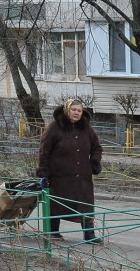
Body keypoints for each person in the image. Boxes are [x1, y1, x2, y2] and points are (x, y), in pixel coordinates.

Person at [35, 98, 103, 243]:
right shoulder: (54, 127)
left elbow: (97, 147)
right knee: (57, 203)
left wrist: (94, 163)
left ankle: (89, 235)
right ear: (67, 110)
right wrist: (43, 171)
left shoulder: (87, 129)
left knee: (86, 204)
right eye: (74, 110)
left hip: (83, 176)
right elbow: (44, 151)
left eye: (79, 110)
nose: (76, 113)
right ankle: (53, 232)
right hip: (60, 176)